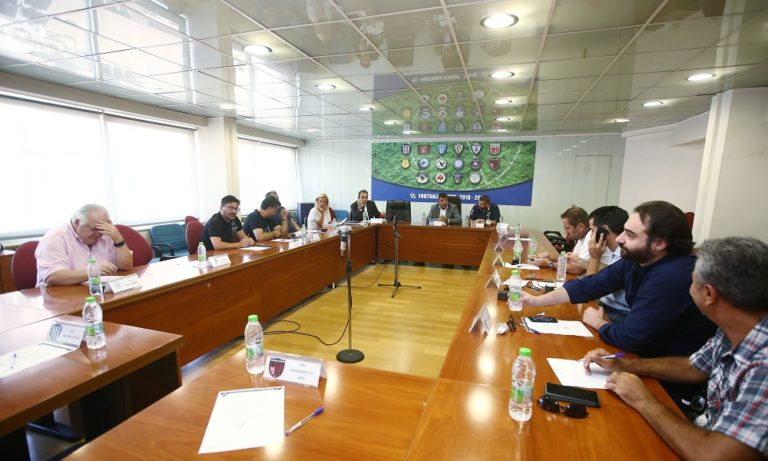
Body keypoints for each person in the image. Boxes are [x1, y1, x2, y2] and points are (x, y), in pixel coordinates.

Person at [582, 237, 768, 460]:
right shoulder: (734, 327)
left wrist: (645, 401)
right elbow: (693, 367)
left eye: (691, 280)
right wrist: (622, 364)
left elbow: (713, 455)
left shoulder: (762, 364)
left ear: (709, 294)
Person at [523, 200, 716, 407]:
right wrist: (535, 301)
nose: (620, 239)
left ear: (659, 243)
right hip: (640, 361)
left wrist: (599, 323)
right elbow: (590, 285)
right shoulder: (638, 258)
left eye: (630, 235)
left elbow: (630, 338)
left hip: (669, 383)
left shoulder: (672, 276)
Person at [35, 204, 133, 287]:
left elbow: (126, 266)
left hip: (96, 291)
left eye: (101, 229)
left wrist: (118, 239)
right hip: (59, 296)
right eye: (94, 229)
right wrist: (93, 272)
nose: (99, 234)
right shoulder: (54, 238)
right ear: (77, 223)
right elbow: (52, 276)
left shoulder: (106, 233)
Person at [533, 206, 611, 275]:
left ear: (580, 227)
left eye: (567, 228)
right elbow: (572, 260)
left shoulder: (591, 237)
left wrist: (550, 264)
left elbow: (578, 270)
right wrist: (552, 258)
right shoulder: (581, 237)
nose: (566, 232)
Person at [586, 206, 631, 322]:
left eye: (592, 231)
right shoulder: (613, 251)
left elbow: (590, 291)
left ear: (604, 231)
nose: (590, 236)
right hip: (606, 305)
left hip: (619, 314)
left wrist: (594, 257)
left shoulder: (624, 256)